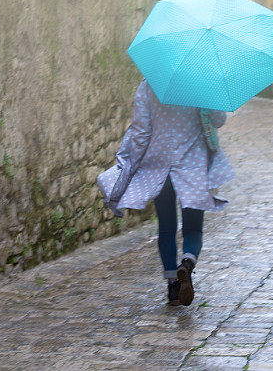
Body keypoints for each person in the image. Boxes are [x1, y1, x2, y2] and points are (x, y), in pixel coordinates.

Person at [97, 79, 235, 305]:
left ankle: (172, 286)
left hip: (158, 167)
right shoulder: (201, 83)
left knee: (166, 226)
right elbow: (218, 120)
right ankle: (187, 264)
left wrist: (130, 163)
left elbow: (141, 132)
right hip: (193, 166)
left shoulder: (148, 86)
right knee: (193, 228)